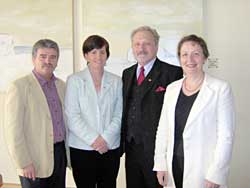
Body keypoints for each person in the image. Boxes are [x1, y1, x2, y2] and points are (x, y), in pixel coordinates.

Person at [154, 34, 235, 188]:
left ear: (204, 58)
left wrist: (216, 174)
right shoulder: (172, 89)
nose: (189, 60)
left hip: (204, 171)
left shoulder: (220, 89)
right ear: (179, 58)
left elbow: (226, 137)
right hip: (173, 165)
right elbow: (163, 130)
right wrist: (160, 164)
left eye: (196, 54)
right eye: (184, 54)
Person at [120, 26, 183, 188]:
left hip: (157, 152)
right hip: (131, 149)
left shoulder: (172, 73)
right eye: (137, 44)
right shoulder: (127, 74)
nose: (141, 48)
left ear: (156, 45)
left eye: (146, 43)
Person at [4, 39, 70, 188]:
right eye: (43, 56)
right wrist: (24, 162)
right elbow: (13, 131)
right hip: (34, 159)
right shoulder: (19, 87)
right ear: (33, 59)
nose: (48, 61)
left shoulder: (61, 86)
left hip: (59, 155)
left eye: (53, 57)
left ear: (57, 61)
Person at [65, 35, 122, 188]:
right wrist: (94, 140)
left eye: (102, 52)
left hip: (109, 147)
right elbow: (72, 116)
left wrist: (105, 139)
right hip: (82, 148)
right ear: (86, 55)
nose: (98, 56)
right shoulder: (74, 80)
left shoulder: (117, 81)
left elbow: (119, 114)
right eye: (93, 52)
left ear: (107, 55)